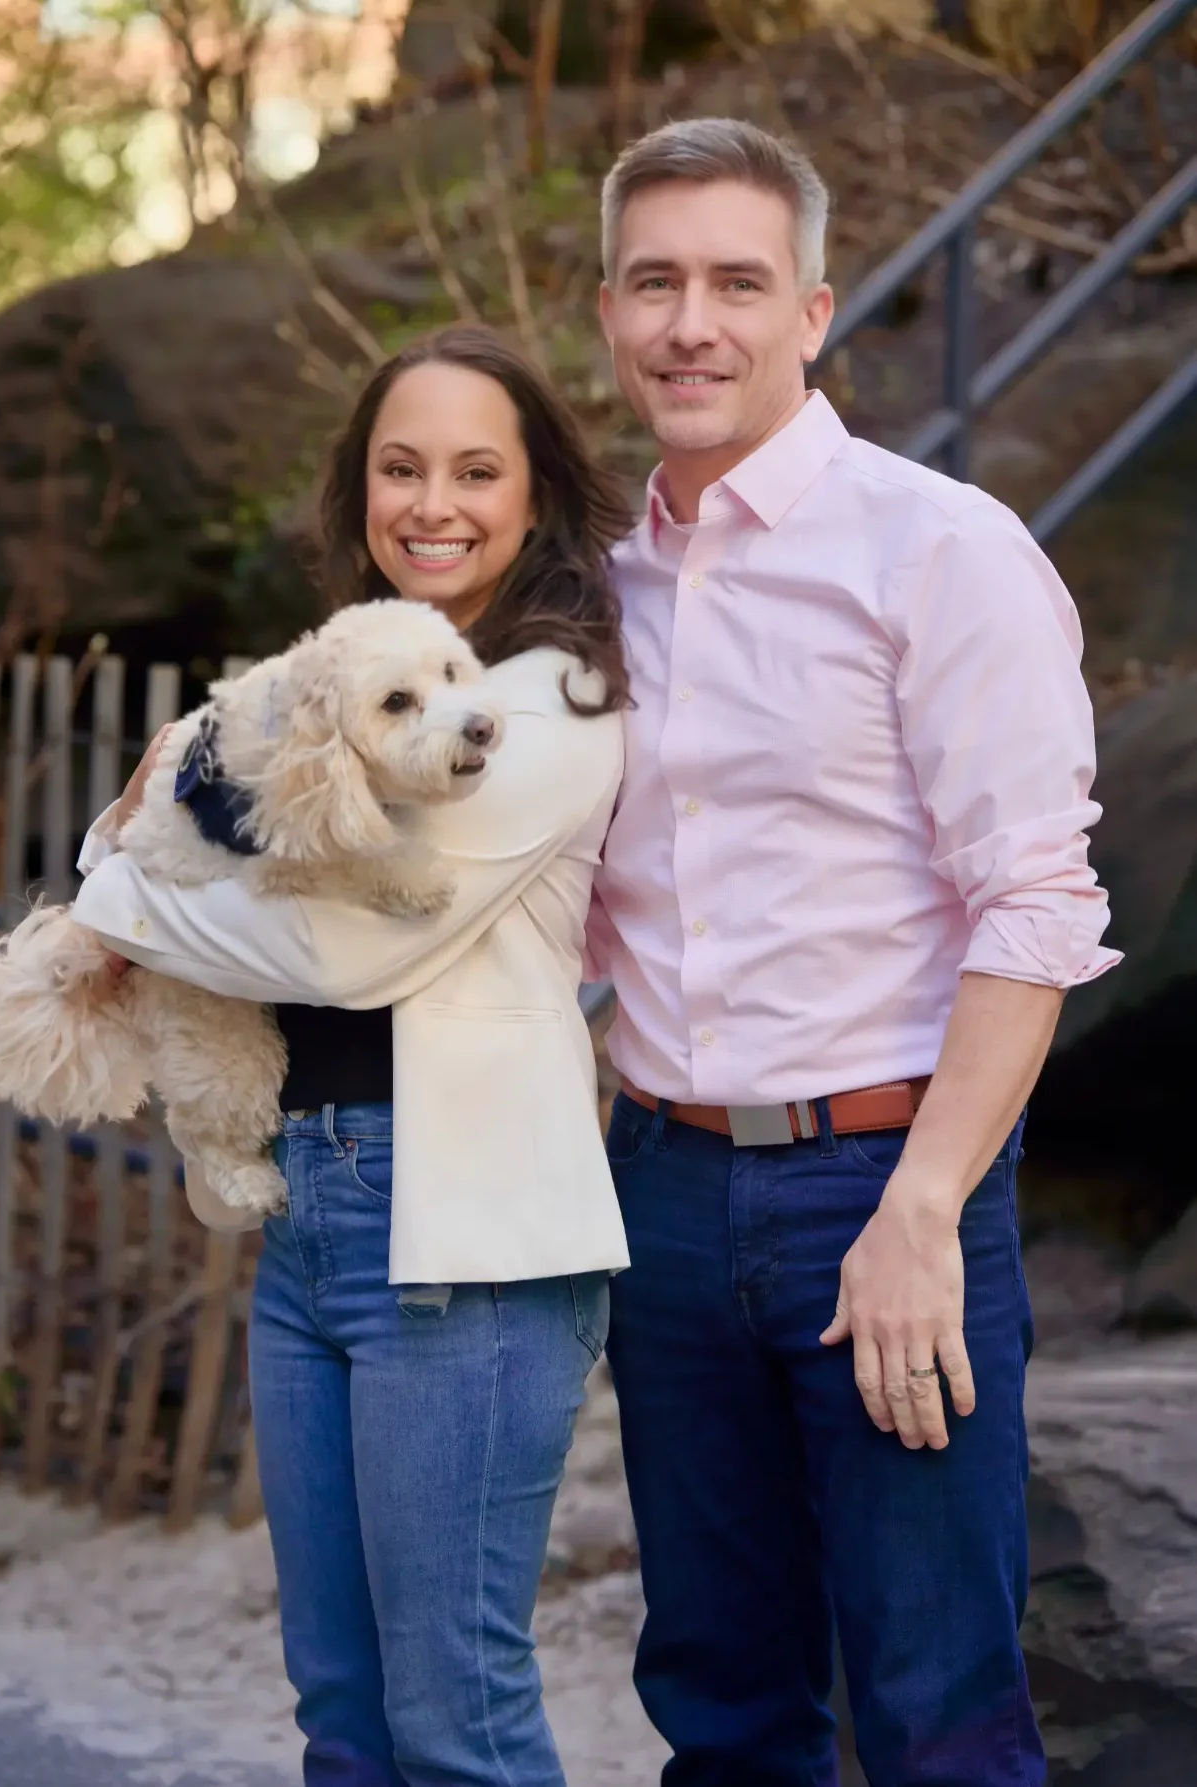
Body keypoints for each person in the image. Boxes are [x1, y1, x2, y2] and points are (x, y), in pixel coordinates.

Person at [584, 119, 1120, 1787]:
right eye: (654, 281)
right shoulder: (593, 587)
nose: (693, 322)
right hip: (661, 1193)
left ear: (812, 311)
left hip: (882, 1182)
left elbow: (1033, 905)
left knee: (937, 1706)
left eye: (735, 282)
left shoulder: (936, 549)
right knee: (722, 1704)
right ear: (604, 310)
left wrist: (922, 1214)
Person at [73, 326, 634, 1787]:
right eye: (399, 466)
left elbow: (352, 946)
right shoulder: (339, 686)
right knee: (339, 1706)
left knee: (452, 1713)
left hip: (465, 1244)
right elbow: (180, 823)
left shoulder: (549, 703)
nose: (430, 502)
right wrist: (137, 855)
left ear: (535, 495)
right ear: (359, 486)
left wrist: (110, 891)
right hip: (314, 1213)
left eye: (473, 469)